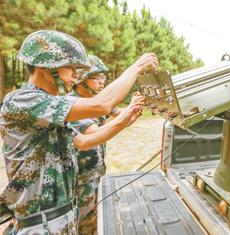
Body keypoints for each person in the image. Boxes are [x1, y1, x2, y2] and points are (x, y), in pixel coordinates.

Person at [0, 30, 157, 234]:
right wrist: (137, 67)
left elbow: (82, 141)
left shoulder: (49, 111)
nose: (76, 75)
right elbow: (101, 104)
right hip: (38, 225)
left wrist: (123, 121)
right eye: (71, 67)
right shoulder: (22, 100)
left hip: (61, 219)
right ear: (45, 66)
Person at [69, 54, 134, 234]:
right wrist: (128, 113)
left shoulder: (97, 102)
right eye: (96, 78)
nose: (101, 82)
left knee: (96, 219)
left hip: (95, 173)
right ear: (81, 80)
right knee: (82, 224)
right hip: (78, 180)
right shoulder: (72, 105)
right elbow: (94, 133)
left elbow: (122, 116)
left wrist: (135, 106)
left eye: (103, 78)